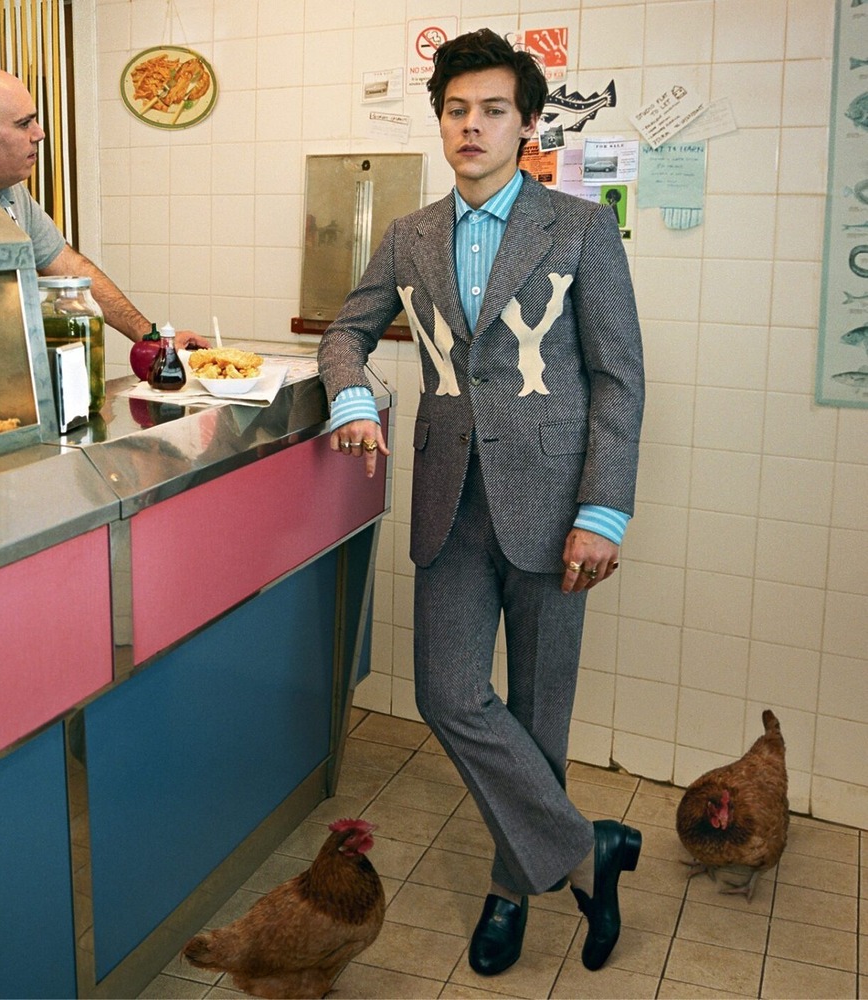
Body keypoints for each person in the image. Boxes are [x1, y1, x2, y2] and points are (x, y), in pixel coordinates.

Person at [318, 28, 645, 976]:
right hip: (449, 501)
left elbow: (618, 378)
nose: (472, 126)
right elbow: (346, 332)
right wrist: (351, 397)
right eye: (457, 110)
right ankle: (585, 851)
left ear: (525, 123)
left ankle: (510, 889)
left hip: (556, 507)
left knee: (540, 714)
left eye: (492, 110)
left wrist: (603, 512)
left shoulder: (579, 228)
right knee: (448, 692)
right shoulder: (409, 234)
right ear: (441, 122)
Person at [0, 70, 207, 349]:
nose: (39, 133)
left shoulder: (13, 193)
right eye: (24, 124)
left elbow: (69, 267)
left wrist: (150, 337)